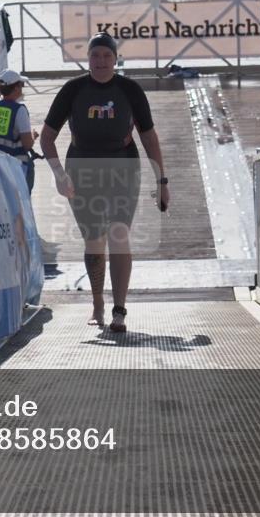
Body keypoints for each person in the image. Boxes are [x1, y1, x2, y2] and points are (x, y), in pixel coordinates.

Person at [39, 33, 169, 333]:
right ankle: (97, 302)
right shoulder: (73, 90)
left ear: (115, 59)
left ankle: (119, 309)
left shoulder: (130, 90)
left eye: (106, 56)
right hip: (81, 170)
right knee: (94, 240)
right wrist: (59, 174)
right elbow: (47, 137)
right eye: (95, 56)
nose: (100, 62)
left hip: (122, 167)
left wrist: (162, 180)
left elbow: (149, 137)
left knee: (119, 234)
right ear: (88, 58)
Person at [0, 69, 38, 193]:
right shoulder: (19, 110)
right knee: (21, 205)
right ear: (16, 88)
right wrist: (33, 136)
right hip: (16, 167)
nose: (22, 88)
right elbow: (28, 144)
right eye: (21, 85)